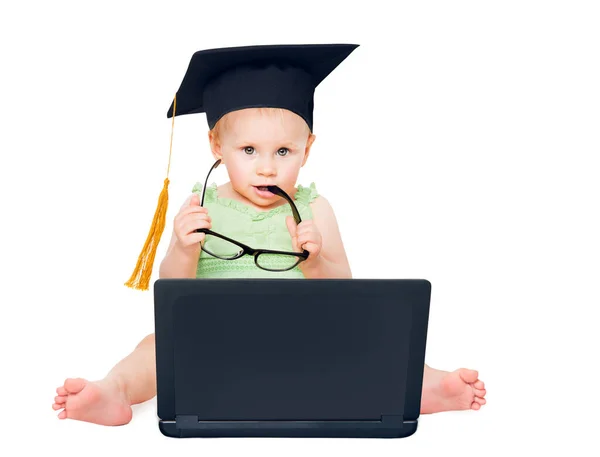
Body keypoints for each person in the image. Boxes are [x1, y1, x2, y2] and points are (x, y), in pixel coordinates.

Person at [52, 44, 486, 426]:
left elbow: (347, 299)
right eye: (248, 151)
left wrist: (315, 259)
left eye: (283, 151)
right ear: (216, 148)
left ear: (307, 149)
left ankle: (426, 387)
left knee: (367, 343)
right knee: (154, 347)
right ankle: (115, 392)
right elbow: (171, 291)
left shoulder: (315, 209)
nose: (266, 167)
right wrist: (184, 248)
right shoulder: (200, 208)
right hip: (215, 342)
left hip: (305, 342)